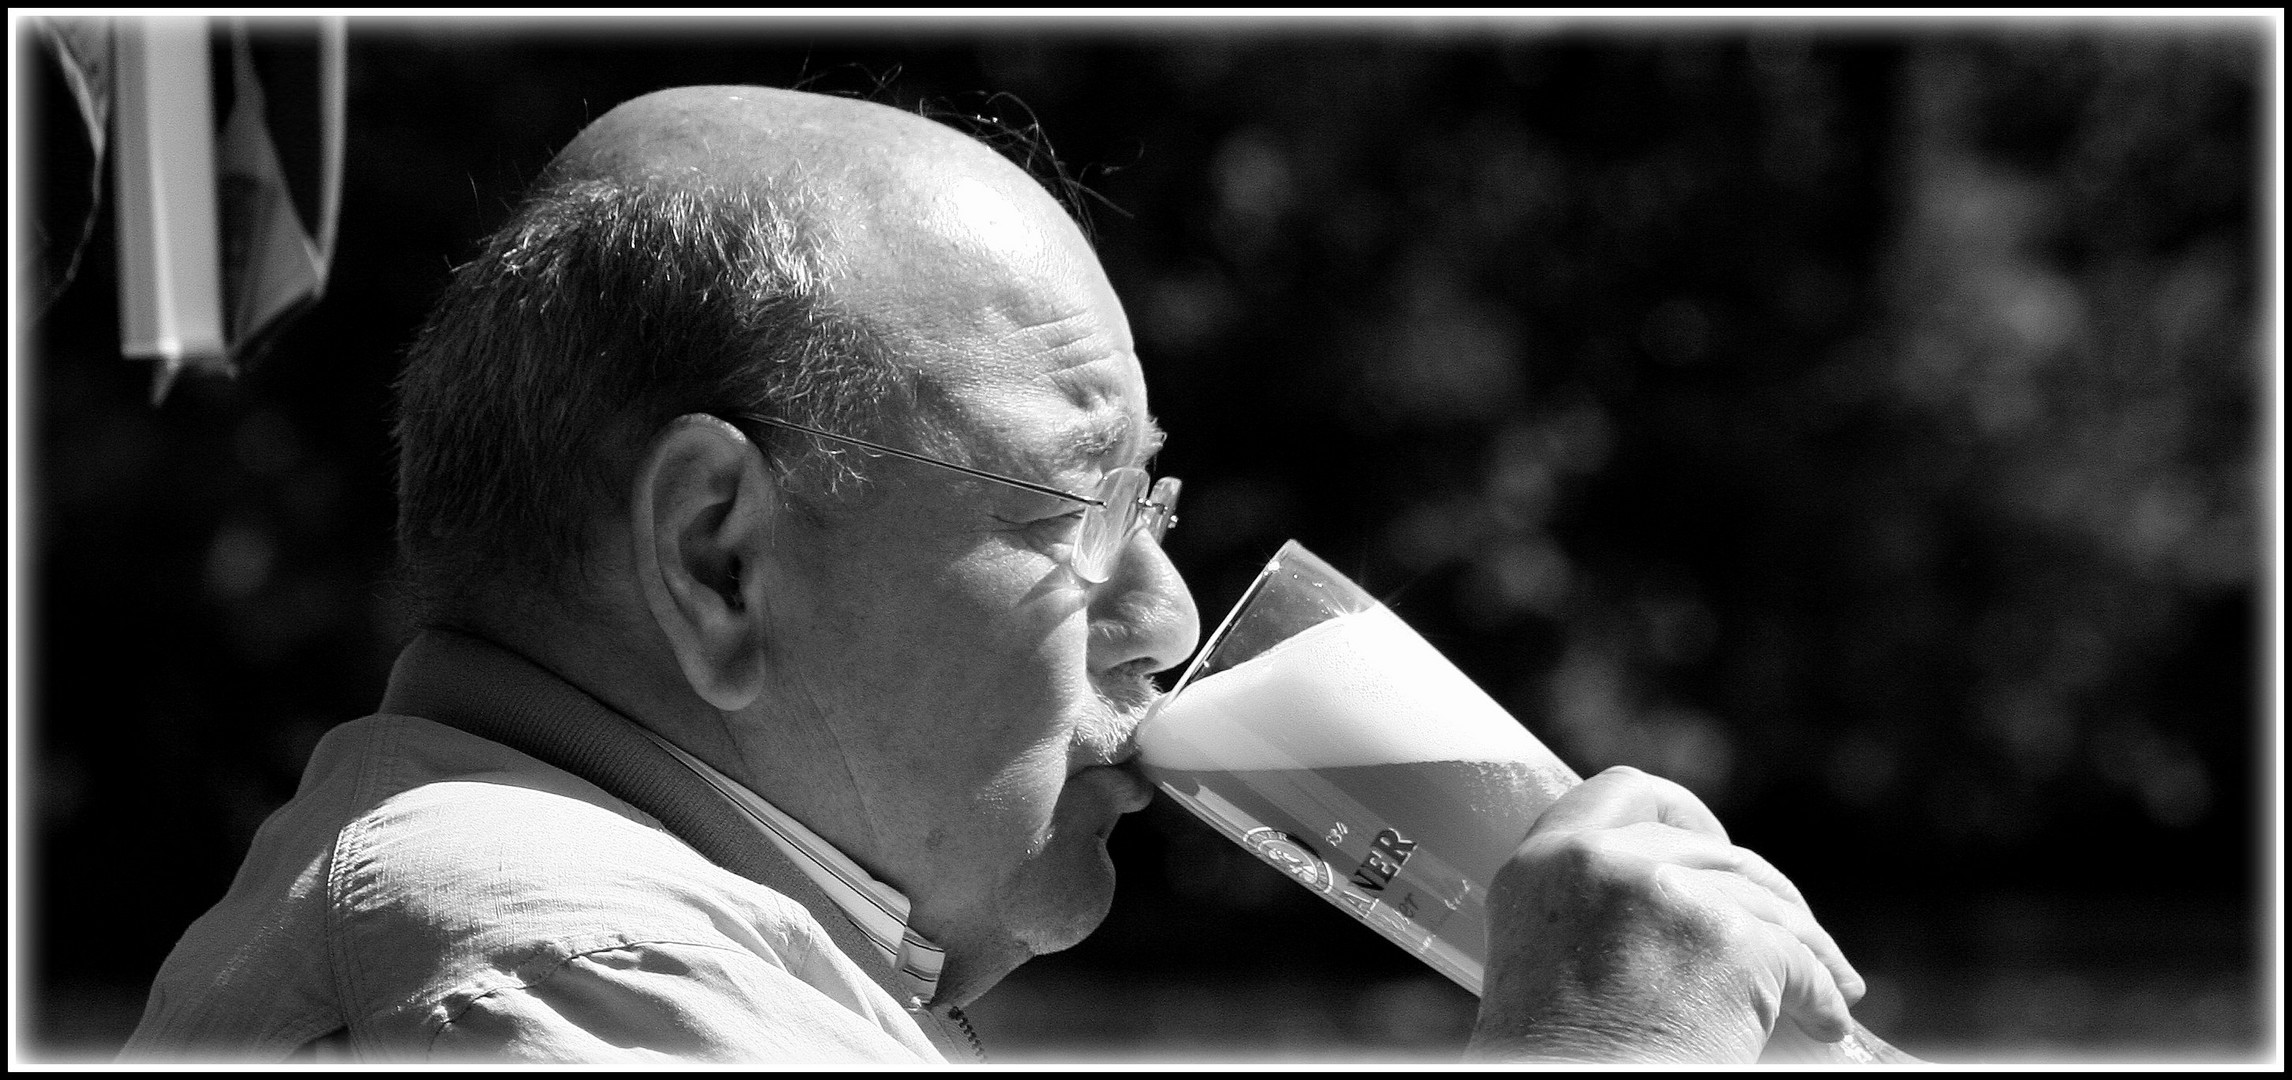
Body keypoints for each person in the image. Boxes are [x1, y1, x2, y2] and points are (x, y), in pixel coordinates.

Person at [119, 85, 1873, 1064]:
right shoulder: (562, 965)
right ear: (717, 556)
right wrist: (1599, 1050)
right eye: (1067, 516)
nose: (1172, 625)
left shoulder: (662, 936)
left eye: (1158, 512)